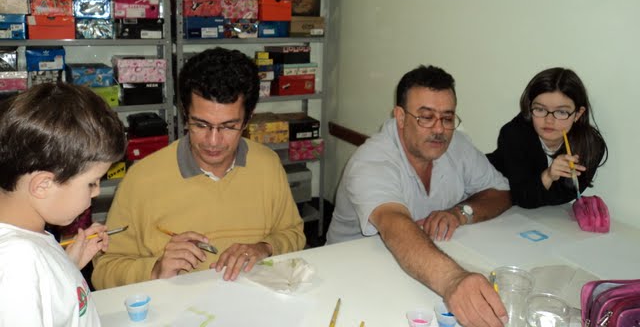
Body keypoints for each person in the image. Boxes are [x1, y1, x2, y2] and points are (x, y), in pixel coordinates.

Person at [92, 47, 305, 289]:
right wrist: (155, 269)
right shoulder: (142, 179)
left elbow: (294, 234)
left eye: (228, 126)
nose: (213, 141)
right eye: (201, 124)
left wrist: (264, 247)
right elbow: (104, 271)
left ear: (248, 119)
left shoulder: (267, 165)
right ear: (185, 114)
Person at [326, 65, 511, 327]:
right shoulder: (371, 160)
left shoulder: (457, 146)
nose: (439, 129)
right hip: (351, 277)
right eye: (426, 117)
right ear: (400, 117)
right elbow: (393, 223)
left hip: (422, 267)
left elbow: (501, 192)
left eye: (447, 118)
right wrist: (454, 280)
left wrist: (461, 213)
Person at [0, 83, 126, 327]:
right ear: (43, 185)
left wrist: (68, 265)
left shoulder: (29, 239)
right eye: (91, 183)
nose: (96, 192)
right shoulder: (16, 262)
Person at [487, 68, 608, 209]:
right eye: (540, 109)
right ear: (529, 107)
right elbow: (522, 198)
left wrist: (542, 184)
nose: (549, 120)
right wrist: (548, 176)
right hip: (483, 188)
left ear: (578, 114)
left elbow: (566, 196)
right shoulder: (513, 134)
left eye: (561, 112)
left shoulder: (591, 145)